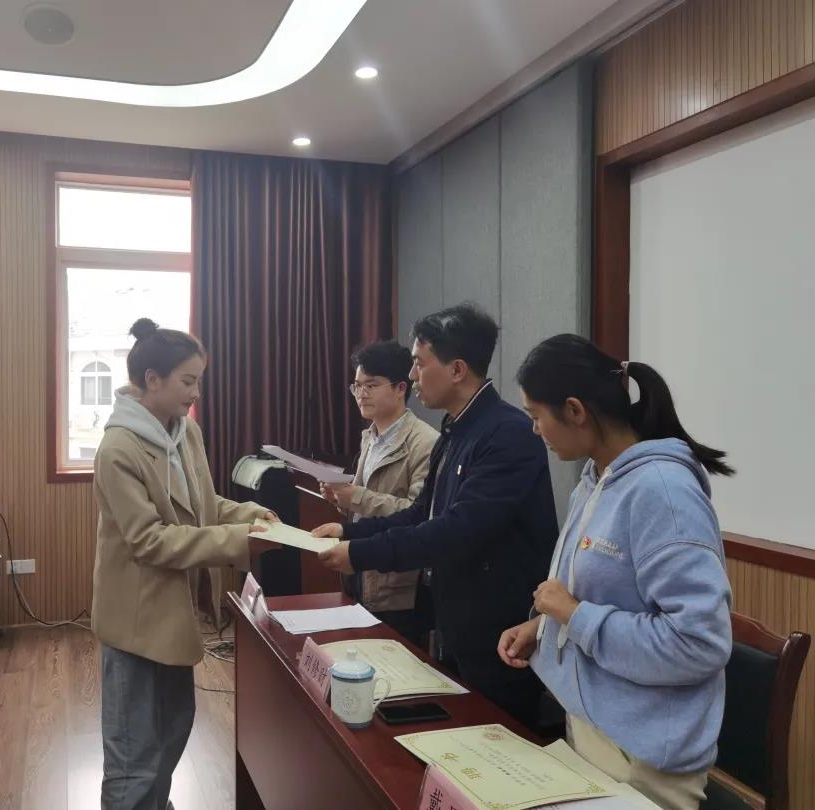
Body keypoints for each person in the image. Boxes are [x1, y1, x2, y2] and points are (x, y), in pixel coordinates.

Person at [497, 334, 732, 810]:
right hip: (591, 728)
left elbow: (699, 644)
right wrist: (544, 626)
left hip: (642, 758)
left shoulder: (663, 491)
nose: (535, 430)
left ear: (574, 410)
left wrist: (574, 615)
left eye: (536, 416)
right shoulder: (596, 479)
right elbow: (605, 597)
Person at [313, 303, 558, 730]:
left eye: (419, 363)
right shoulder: (454, 431)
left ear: (457, 369)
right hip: (452, 621)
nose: (412, 375)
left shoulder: (507, 434)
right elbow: (418, 515)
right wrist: (349, 532)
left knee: (495, 737)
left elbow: (455, 530)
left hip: (498, 632)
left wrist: (360, 552)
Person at [92, 318, 276, 810]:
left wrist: (250, 515)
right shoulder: (118, 449)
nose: (196, 393)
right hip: (136, 620)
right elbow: (149, 540)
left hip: (176, 617)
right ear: (152, 379)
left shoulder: (185, 431)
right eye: (188, 381)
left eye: (199, 381)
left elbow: (203, 504)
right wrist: (238, 540)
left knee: (172, 730)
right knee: (134, 754)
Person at [318, 340, 438, 645]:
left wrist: (356, 496)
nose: (361, 394)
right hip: (360, 566)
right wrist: (340, 499)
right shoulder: (370, 437)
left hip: (397, 583)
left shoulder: (425, 443)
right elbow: (364, 506)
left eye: (371, 385)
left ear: (400, 388)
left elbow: (419, 514)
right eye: (357, 386)